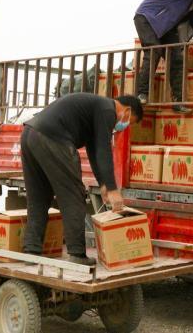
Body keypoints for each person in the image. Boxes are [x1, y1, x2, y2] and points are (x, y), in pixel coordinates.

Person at [20, 93, 143, 265]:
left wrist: (103, 185)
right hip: (52, 138)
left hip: (29, 134)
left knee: (39, 198)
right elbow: (104, 150)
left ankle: (31, 252)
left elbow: (94, 152)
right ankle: (77, 254)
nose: (124, 125)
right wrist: (113, 189)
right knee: (74, 194)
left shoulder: (96, 109)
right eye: (129, 122)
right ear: (128, 110)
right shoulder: (108, 109)